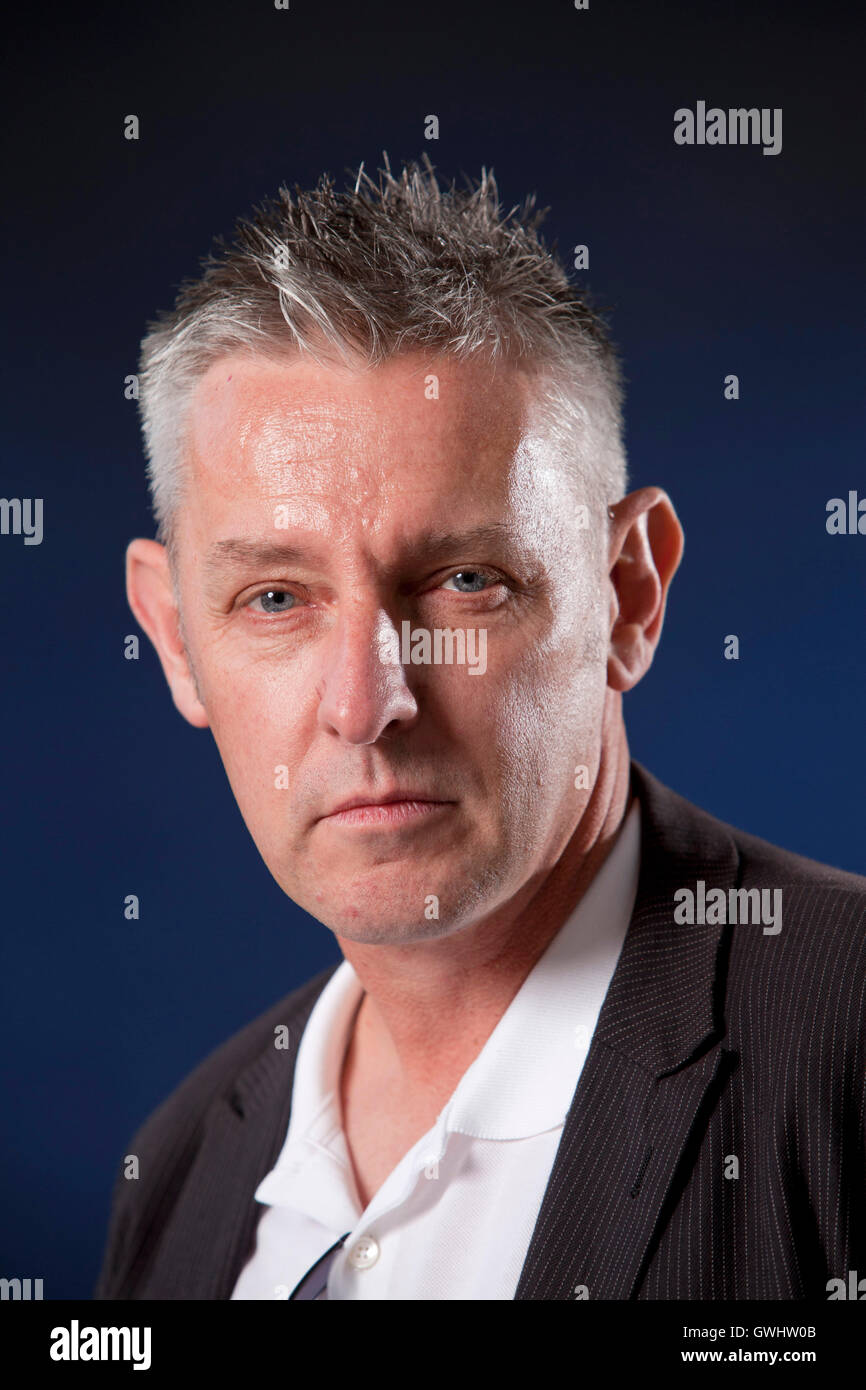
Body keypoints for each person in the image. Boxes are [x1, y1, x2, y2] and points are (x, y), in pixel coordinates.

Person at [95, 155, 866, 1300]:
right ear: (173, 637)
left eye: (461, 579)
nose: (365, 703)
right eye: (275, 599)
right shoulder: (178, 1173)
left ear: (627, 592)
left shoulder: (844, 1052)